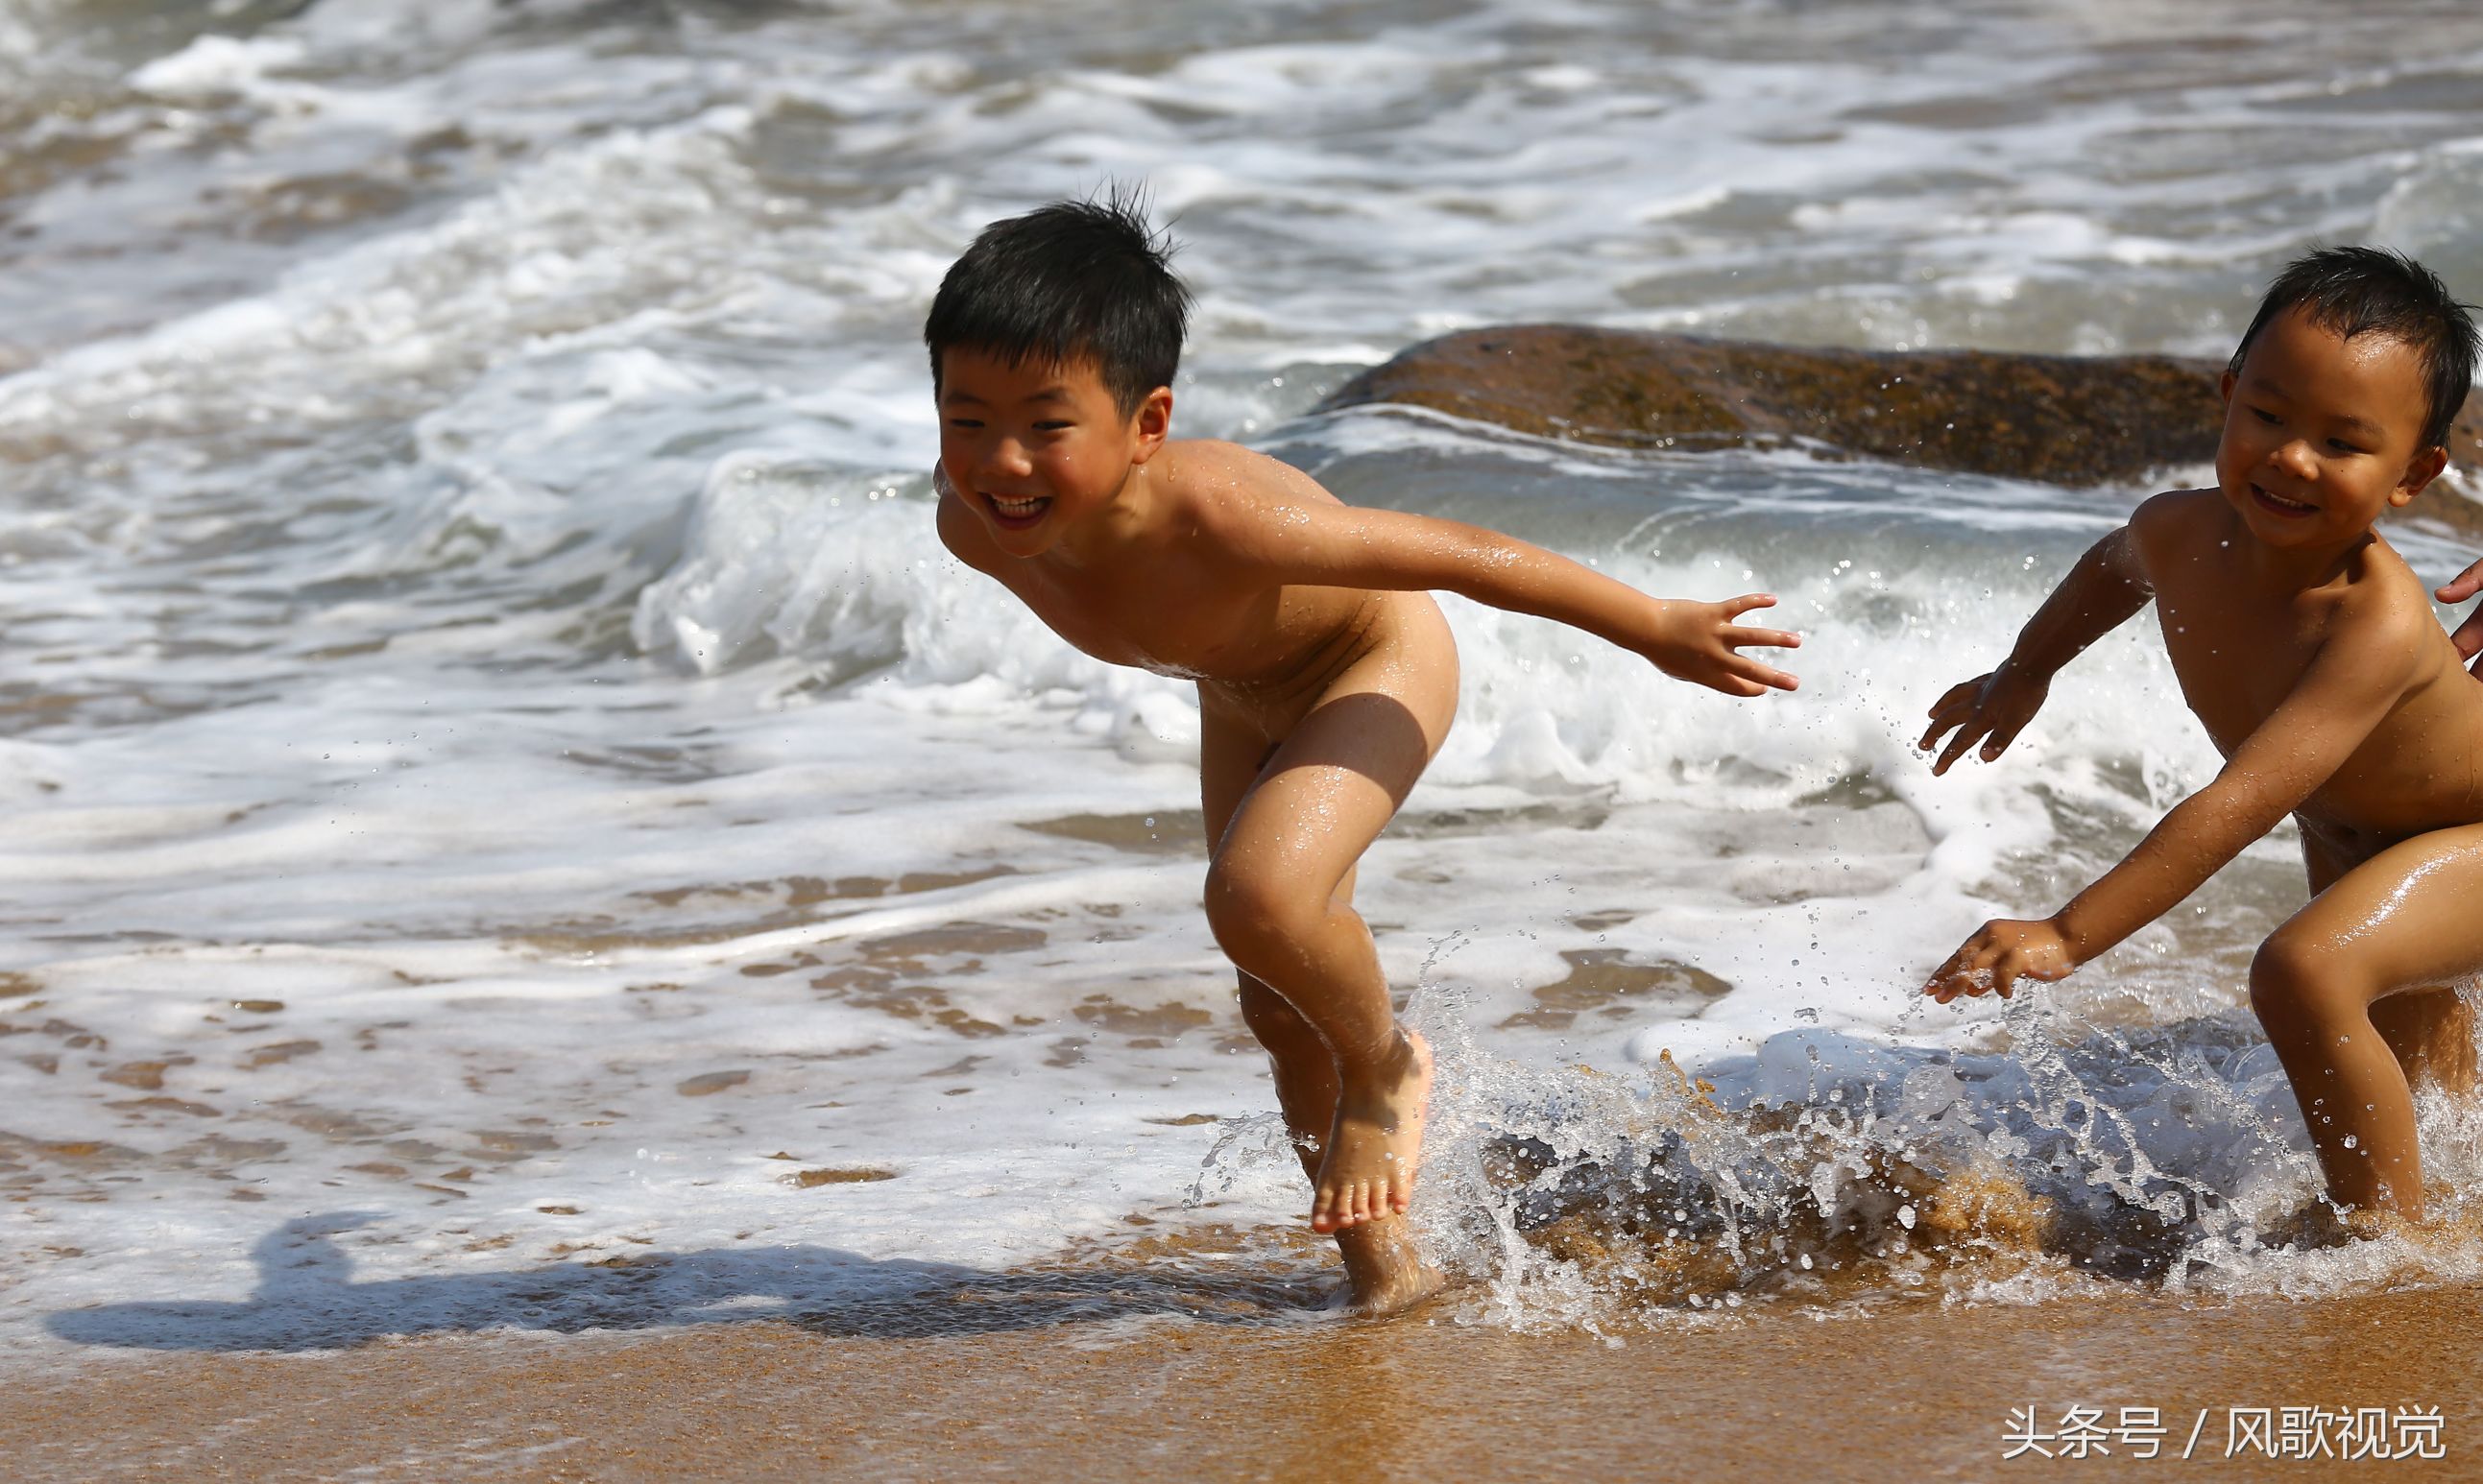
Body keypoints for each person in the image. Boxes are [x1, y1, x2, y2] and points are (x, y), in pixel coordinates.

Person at [926, 195, 1800, 1311]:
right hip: (1240, 696)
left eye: (1047, 427)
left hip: (1370, 663)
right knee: (1276, 1006)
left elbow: (1462, 553)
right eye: (967, 420)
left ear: (1148, 424)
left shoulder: (1226, 516)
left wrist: (1651, 625)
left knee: (1258, 899)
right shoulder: (978, 527)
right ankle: (1390, 1272)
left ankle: (1386, 1069)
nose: (1002, 462)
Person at [1919, 246, 2483, 1224]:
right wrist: (2028, 668)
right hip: (2354, 831)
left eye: (2344, 443)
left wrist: (2066, 932)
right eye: (2268, 415)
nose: (2291, 457)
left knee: (2308, 971)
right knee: (2422, 1078)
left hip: (2466, 833)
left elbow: (2238, 803)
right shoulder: (2180, 530)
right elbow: (2114, 567)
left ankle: (2389, 1247)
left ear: (2415, 474)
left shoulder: (2374, 622)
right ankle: (2456, 1215)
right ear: (2227, 396)